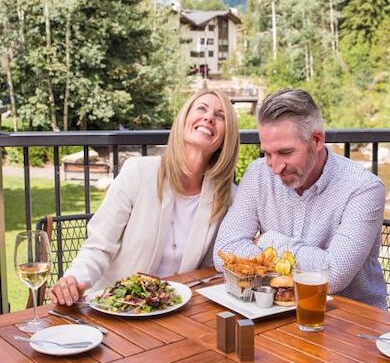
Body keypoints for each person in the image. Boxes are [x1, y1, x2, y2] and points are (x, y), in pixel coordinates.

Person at [48, 89, 239, 306]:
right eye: (201, 109)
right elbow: (99, 245)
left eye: (220, 116)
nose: (209, 117)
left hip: (178, 313)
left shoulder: (228, 197)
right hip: (118, 310)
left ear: (226, 137)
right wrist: (76, 279)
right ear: (184, 120)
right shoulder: (138, 172)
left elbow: (217, 267)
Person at [214, 88, 387, 310]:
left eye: (285, 153)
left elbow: (332, 276)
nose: (275, 168)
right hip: (276, 314)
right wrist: (308, 262)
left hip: (351, 322)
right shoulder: (258, 174)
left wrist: (267, 242)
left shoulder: (364, 188)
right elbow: (224, 252)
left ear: (316, 140)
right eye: (267, 153)